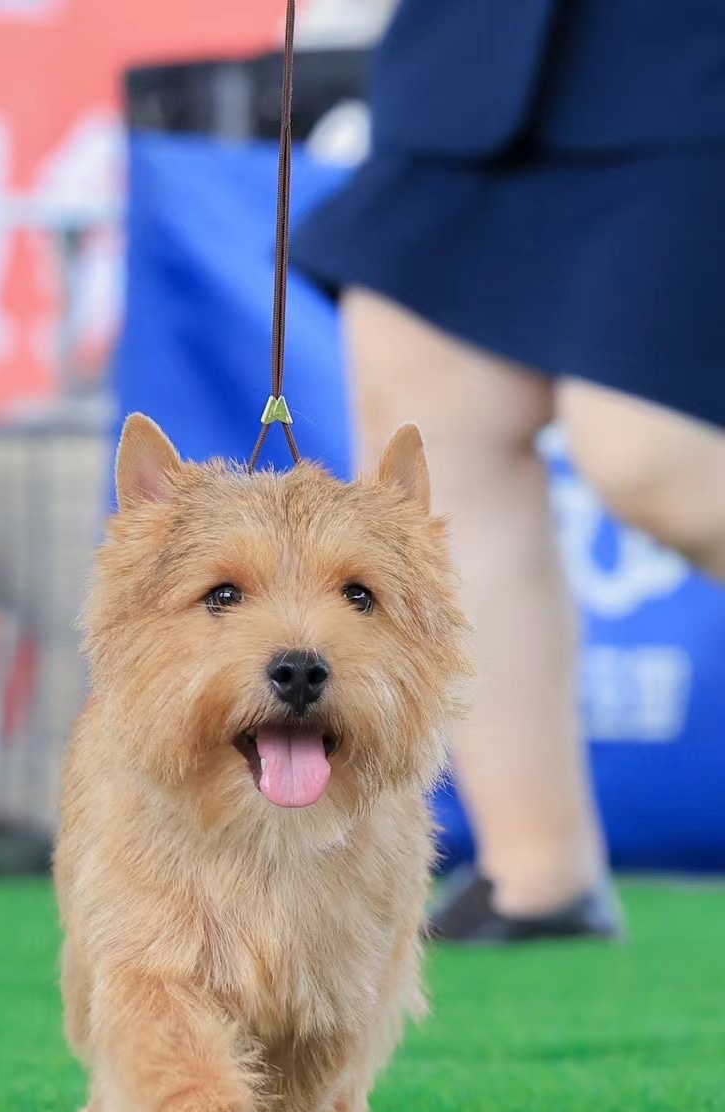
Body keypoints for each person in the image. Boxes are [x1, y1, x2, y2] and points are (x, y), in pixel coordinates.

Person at [293, 0, 725, 942]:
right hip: (479, 50)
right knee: (430, 401)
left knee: (655, 453)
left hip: (685, 48)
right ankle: (540, 876)